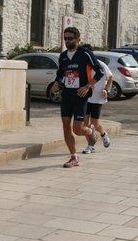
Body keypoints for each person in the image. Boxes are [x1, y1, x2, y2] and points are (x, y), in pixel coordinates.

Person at [51, 27, 103, 168]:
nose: (67, 41)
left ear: (78, 39)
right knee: (66, 126)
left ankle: (90, 131)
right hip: (67, 95)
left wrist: (87, 86)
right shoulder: (63, 56)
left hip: (81, 95)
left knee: (78, 130)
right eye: (65, 38)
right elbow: (61, 74)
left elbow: (100, 72)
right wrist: (57, 84)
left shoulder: (85, 54)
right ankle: (74, 157)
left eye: (70, 38)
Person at [81, 44, 113, 154]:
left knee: (94, 124)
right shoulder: (82, 66)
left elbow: (110, 77)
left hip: (97, 98)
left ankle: (103, 134)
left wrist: (106, 90)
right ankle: (91, 145)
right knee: (85, 124)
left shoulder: (100, 64)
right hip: (86, 98)